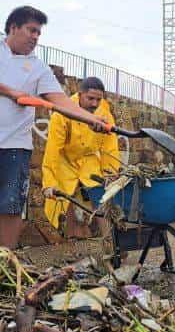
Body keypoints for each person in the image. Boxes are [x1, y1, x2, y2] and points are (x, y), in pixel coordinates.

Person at [0, 5, 109, 255]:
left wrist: (92, 120)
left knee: (11, 207)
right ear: (13, 27)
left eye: (39, 34)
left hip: (14, 148)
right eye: (31, 30)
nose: (35, 37)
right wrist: (11, 92)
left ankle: (5, 263)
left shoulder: (38, 68)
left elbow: (60, 101)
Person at [41, 76, 121, 235]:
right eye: (90, 98)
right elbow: (53, 150)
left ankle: (112, 245)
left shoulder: (105, 113)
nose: (94, 104)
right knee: (63, 201)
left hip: (89, 161)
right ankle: (72, 245)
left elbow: (110, 145)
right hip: (66, 161)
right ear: (80, 94)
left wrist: (110, 172)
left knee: (102, 199)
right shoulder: (62, 112)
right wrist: (49, 182)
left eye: (98, 99)